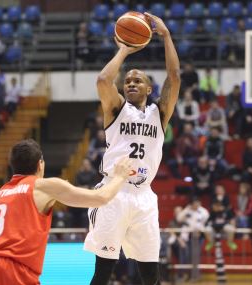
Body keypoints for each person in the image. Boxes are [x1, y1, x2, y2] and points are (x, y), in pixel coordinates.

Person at [84, 12, 180, 285]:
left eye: (138, 81)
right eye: (127, 81)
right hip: (114, 192)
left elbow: (174, 75)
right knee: (103, 270)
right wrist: (124, 51)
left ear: (149, 88)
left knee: (151, 274)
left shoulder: (159, 113)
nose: (131, 84)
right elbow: (104, 80)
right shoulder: (116, 109)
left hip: (144, 196)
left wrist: (166, 36)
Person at [0, 139, 132, 285]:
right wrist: (119, 176)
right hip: (13, 271)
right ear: (40, 164)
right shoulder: (42, 186)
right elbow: (100, 198)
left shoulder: (1, 192)